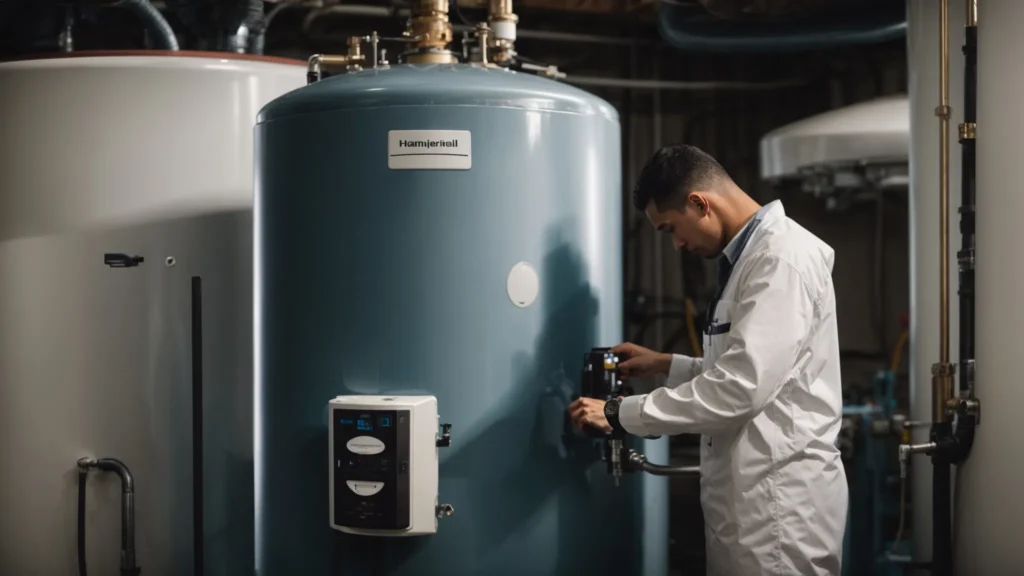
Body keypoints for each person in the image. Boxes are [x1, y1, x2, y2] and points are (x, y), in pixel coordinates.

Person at [568, 144, 848, 575]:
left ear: (700, 203)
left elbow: (740, 389)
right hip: (751, 501)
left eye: (671, 229)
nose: (678, 244)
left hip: (779, 509)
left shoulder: (780, 260)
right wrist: (668, 364)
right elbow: (754, 373)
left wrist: (617, 413)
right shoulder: (750, 258)